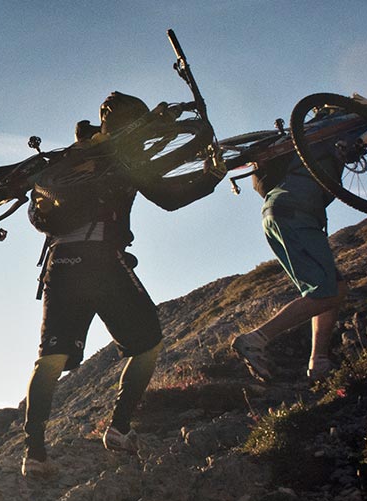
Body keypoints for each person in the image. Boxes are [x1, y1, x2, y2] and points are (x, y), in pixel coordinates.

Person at [19, 92, 218, 480]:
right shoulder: (125, 156)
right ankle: (119, 428)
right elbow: (169, 198)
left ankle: (34, 454)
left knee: (51, 360)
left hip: (60, 263)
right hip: (102, 261)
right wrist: (211, 177)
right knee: (148, 343)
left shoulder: (77, 154)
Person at [232, 144, 343, 383]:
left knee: (335, 287)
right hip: (294, 213)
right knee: (326, 293)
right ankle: (255, 339)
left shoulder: (303, 147)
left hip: (280, 213)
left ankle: (318, 362)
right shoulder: (326, 133)